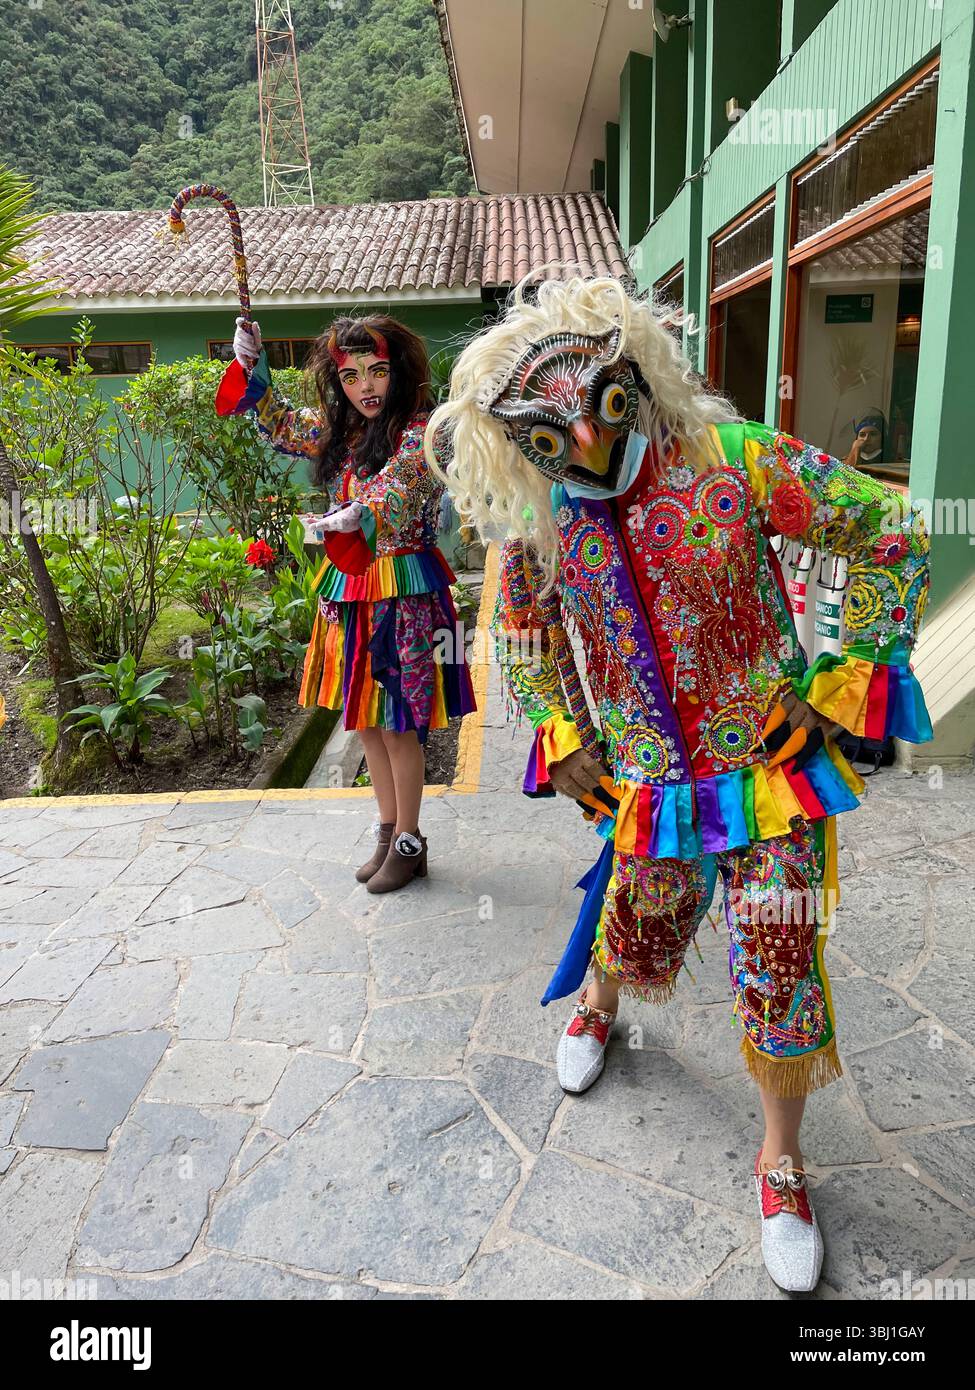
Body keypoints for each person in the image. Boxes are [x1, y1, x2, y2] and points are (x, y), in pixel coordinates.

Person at [427, 270, 932, 1291]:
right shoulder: (538, 521)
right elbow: (522, 629)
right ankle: (600, 1003)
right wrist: (561, 726)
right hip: (652, 786)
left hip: (772, 774)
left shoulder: (733, 461)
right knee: (642, 914)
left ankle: (781, 1159)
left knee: (780, 950)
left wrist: (840, 683)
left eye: (598, 402)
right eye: (544, 427)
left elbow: (887, 530)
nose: (583, 439)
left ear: (633, 376)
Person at [216, 314, 476, 892]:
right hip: (352, 592)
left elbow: (406, 482)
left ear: (398, 373)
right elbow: (282, 424)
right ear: (338, 381)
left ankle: (410, 839)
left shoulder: (423, 431)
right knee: (366, 722)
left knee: (401, 722)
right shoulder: (341, 431)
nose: (366, 386)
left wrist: (362, 513)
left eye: (377, 371)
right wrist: (250, 366)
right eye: (352, 375)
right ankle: (387, 832)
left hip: (403, 593)